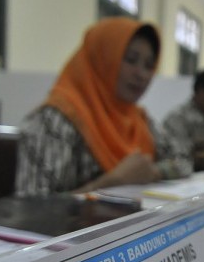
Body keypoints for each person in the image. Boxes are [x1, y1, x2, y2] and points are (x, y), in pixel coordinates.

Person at [15, 17, 191, 196]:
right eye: (130, 59)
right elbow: (31, 208)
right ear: (101, 58)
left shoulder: (139, 120)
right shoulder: (55, 120)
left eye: (149, 65)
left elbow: (184, 160)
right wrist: (112, 182)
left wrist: (153, 172)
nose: (141, 74)